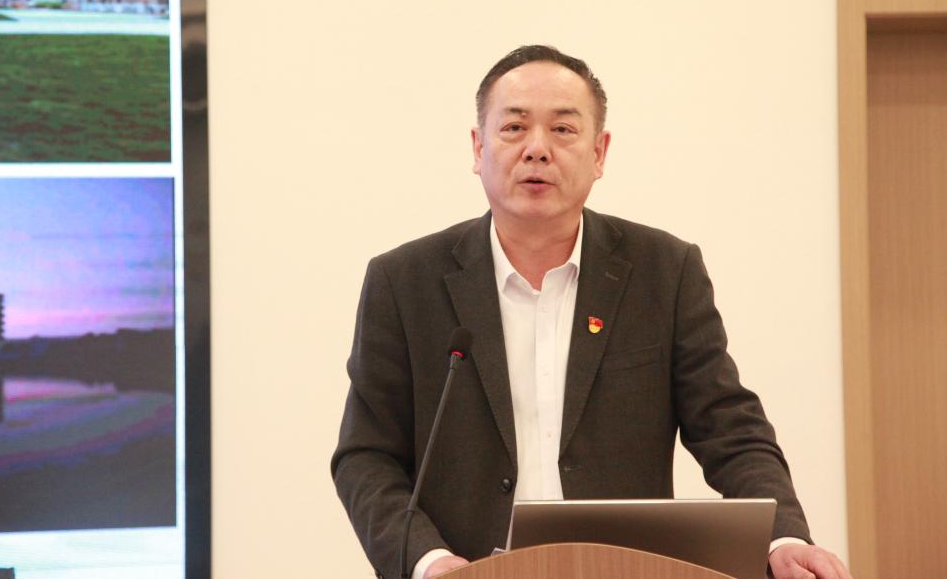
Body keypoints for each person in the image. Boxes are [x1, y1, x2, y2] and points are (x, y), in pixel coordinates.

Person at [332, 45, 851, 579]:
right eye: (514, 128)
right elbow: (367, 456)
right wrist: (431, 562)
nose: (537, 149)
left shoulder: (663, 272)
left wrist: (783, 537)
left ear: (599, 153)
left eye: (562, 129)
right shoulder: (404, 282)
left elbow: (730, 430)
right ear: (478, 147)